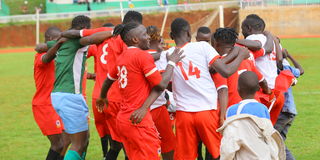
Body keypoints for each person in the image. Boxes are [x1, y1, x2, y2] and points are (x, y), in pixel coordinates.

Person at [159, 18, 249, 160]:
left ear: (171, 36)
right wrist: (241, 55)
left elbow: (167, 84)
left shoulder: (167, 55)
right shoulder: (203, 47)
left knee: (185, 156)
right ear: (189, 33)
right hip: (207, 111)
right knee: (219, 153)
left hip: (183, 114)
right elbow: (225, 71)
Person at [96, 22, 185, 159]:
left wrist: (102, 97)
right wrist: (172, 62)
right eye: (144, 34)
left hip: (123, 119)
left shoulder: (121, 57)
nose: (148, 37)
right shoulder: (142, 56)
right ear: (135, 39)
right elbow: (161, 85)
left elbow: (108, 80)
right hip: (138, 119)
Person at [47, 15, 107, 160]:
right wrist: (114, 31)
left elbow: (41, 47)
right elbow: (95, 36)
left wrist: (58, 40)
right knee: (79, 145)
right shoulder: (78, 41)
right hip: (70, 96)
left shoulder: (62, 42)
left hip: (60, 96)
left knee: (81, 140)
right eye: (88, 28)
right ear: (82, 29)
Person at [218, 71, 285, 160]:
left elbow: (230, 140)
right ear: (258, 88)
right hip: (263, 156)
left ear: (238, 88)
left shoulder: (232, 111)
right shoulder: (263, 109)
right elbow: (268, 136)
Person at [241, 14, 284, 124]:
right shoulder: (273, 42)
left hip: (262, 92)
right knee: (268, 128)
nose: (242, 32)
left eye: (243, 29)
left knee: (254, 128)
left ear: (249, 28)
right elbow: (280, 60)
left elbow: (256, 45)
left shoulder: (251, 38)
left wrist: (234, 40)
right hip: (276, 91)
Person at [211, 27, 271, 107]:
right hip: (254, 105)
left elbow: (222, 91)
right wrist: (269, 93)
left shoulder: (218, 65)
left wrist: (222, 116)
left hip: (233, 109)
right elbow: (263, 82)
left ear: (216, 44)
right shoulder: (246, 60)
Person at [32, 26, 66, 160]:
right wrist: (59, 44)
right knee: (58, 145)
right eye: (58, 38)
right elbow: (46, 58)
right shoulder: (41, 57)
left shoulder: (56, 56)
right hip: (44, 106)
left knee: (64, 143)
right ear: (51, 40)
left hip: (56, 104)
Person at [146, 25, 176, 160]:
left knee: (145, 146)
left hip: (140, 108)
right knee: (168, 145)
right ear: (158, 40)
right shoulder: (164, 56)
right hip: (157, 107)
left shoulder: (137, 55)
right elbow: (167, 84)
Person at [274, 47, 304, 160]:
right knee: (278, 142)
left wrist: (284, 56)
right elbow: (301, 70)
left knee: (269, 138)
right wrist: (289, 55)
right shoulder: (286, 64)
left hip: (283, 110)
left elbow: (280, 63)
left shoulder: (280, 65)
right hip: (290, 110)